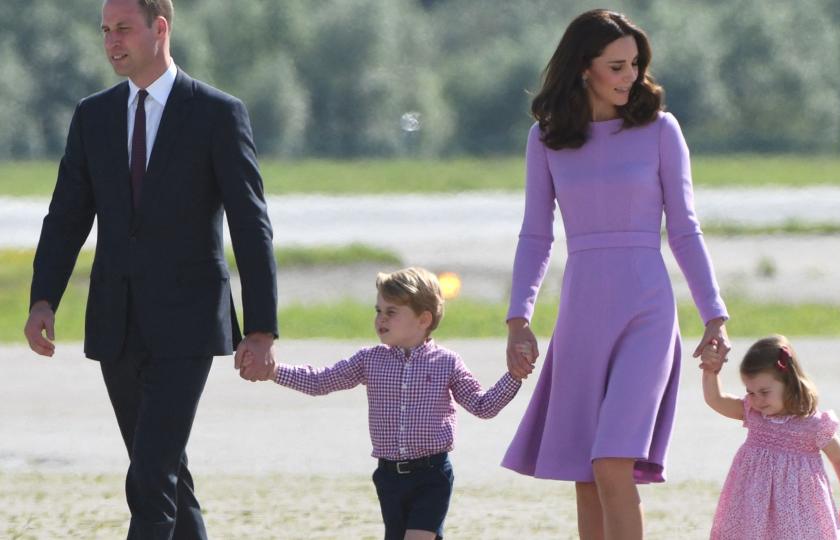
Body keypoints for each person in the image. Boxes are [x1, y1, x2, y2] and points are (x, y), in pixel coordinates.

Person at [22, 0, 278, 537]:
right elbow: (67, 216)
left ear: (159, 28)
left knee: (149, 476)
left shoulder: (216, 113)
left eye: (123, 29)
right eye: (105, 31)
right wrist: (43, 298)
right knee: (164, 473)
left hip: (188, 323)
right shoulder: (93, 115)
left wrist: (260, 327)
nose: (112, 42)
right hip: (117, 322)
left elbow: (250, 224)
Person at [499, 9, 731, 539]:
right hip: (581, 312)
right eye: (617, 66)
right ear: (585, 68)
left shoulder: (659, 130)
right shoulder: (546, 138)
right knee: (586, 473)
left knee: (611, 462)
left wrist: (714, 315)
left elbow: (685, 231)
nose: (630, 76)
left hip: (647, 309)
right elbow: (536, 234)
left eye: (635, 65)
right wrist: (519, 317)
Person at [254, 267, 522, 540]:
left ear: (423, 319)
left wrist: (514, 376)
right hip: (389, 478)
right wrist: (274, 371)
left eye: (391, 312)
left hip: (432, 475)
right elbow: (321, 381)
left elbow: (483, 405)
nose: (380, 319)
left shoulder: (447, 363)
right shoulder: (369, 360)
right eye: (378, 310)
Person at [700, 335, 840, 539]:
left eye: (764, 392)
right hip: (753, 508)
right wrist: (710, 371)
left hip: (798, 511)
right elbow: (716, 399)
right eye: (751, 392)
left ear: (789, 382)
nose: (757, 400)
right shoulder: (752, 412)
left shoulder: (813, 424)